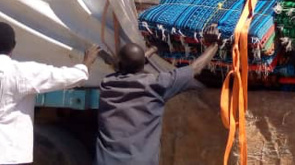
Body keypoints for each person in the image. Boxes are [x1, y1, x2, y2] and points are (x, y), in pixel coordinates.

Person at [0, 22, 101, 165]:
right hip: (5, 155)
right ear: (14, 45)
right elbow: (67, 77)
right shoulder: (21, 72)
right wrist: (86, 63)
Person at [94, 26, 220, 165]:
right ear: (143, 65)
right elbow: (195, 68)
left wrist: (154, 48)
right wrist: (215, 44)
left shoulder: (107, 83)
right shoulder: (156, 85)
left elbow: (127, 65)